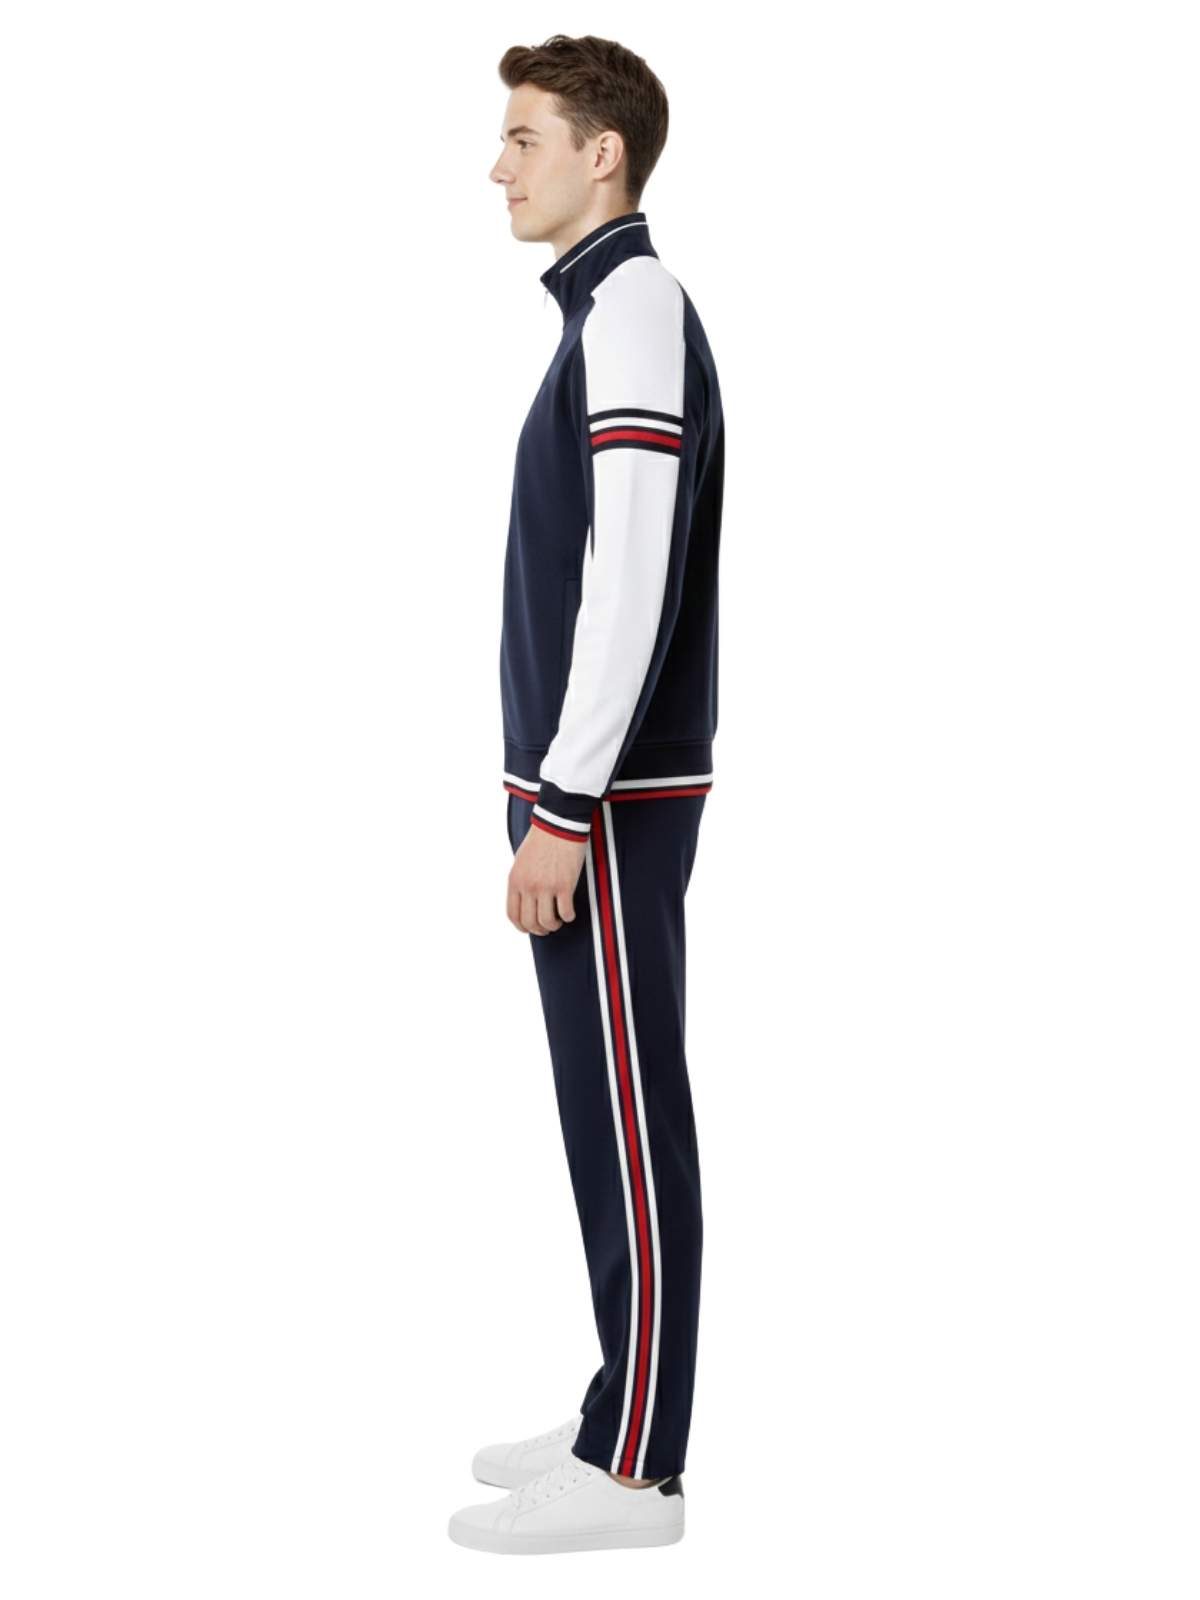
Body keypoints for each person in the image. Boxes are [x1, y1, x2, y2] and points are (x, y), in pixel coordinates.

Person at [448, 33, 724, 1556]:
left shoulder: (635, 308)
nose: (498, 167)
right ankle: (625, 1397)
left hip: (605, 801)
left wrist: (562, 806)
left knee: (629, 1114)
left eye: (524, 138)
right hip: (591, 792)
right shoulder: (603, 312)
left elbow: (632, 583)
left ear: (600, 154)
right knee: (602, 1110)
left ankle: (637, 1473)